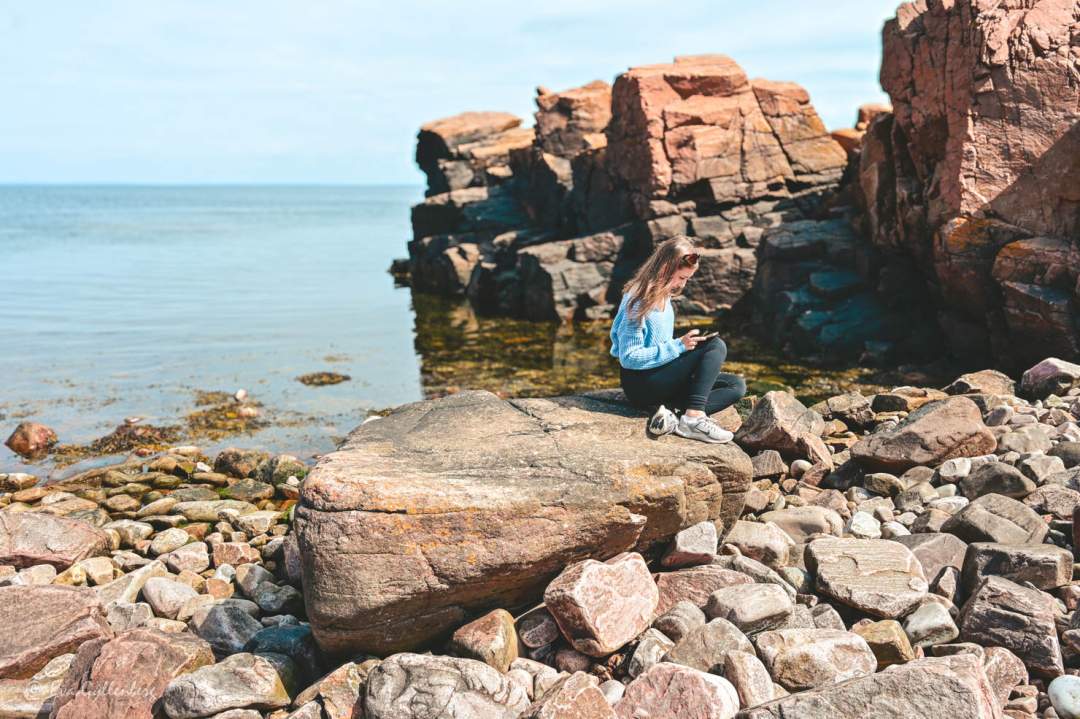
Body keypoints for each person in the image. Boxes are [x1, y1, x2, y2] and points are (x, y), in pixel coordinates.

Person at [609, 236, 746, 443]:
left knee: (735, 386)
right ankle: (693, 419)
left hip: (659, 377)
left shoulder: (663, 295)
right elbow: (629, 358)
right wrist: (678, 346)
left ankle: (673, 415)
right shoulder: (638, 300)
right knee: (714, 346)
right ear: (665, 268)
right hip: (641, 383)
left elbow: (660, 343)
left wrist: (683, 346)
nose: (683, 284)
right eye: (682, 278)